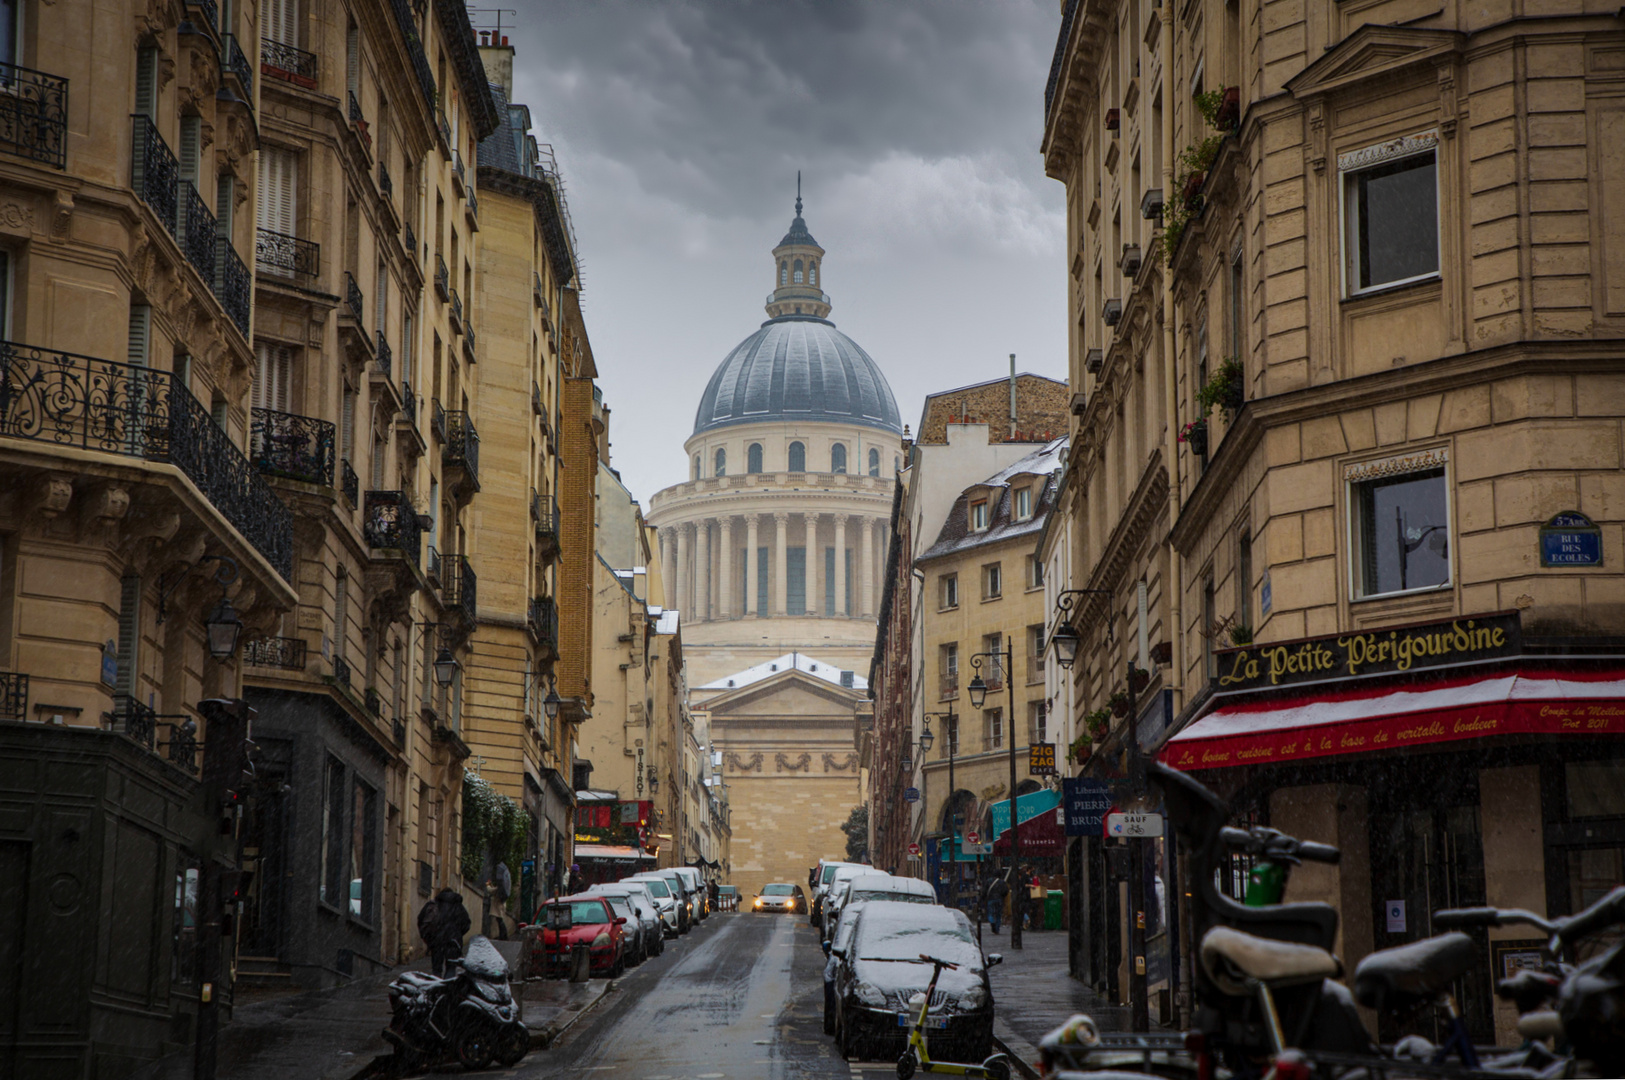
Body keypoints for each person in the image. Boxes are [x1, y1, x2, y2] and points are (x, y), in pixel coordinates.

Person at [418, 887, 471, 976]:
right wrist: (457, 934)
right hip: (453, 942)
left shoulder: (434, 904)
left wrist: (428, 937)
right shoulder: (458, 906)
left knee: (436, 969)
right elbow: (466, 924)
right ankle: (448, 986)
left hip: (437, 941)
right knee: (451, 967)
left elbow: (421, 920)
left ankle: (437, 987)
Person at [487, 860, 512, 940]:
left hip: (498, 905)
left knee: (500, 921)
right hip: (501, 904)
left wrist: (487, 885)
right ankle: (503, 936)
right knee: (500, 921)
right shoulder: (502, 889)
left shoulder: (499, 889)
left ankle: (503, 936)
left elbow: (490, 890)